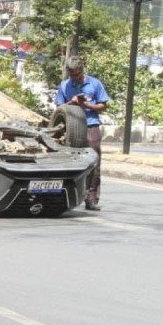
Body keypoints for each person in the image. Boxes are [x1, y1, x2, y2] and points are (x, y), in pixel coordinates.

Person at [56, 55, 110, 210]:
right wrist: (71, 103)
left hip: (90, 126)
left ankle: (91, 198)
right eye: (72, 75)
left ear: (82, 70)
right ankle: (66, 196)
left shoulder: (94, 83)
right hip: (72, 128)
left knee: (94, 163)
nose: (75, 78)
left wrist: (87, 106)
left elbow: (103, 105)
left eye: (77, 74)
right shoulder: (65, 85)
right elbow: (59, 109)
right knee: (68, 162)